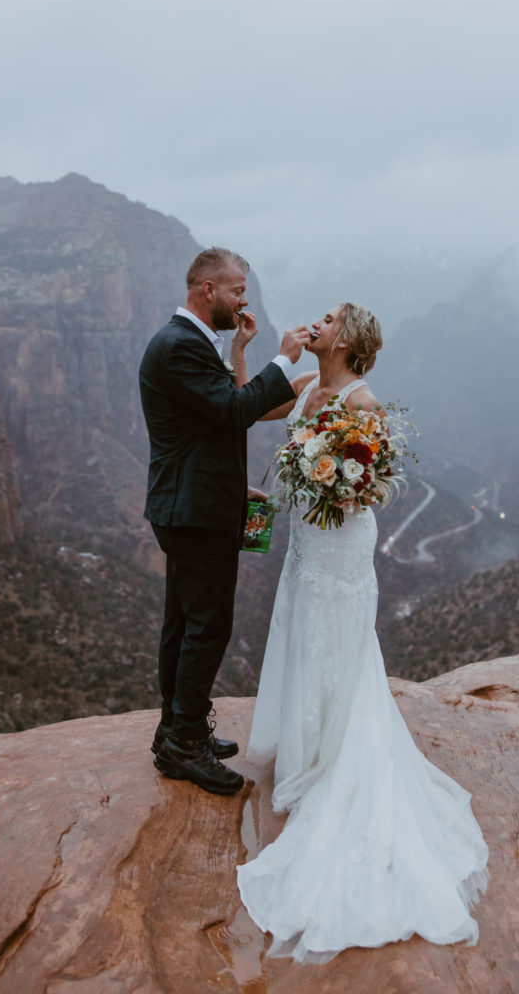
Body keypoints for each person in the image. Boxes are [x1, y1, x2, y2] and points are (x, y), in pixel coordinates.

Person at [232, 302, 489, 962]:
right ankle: (303, 744)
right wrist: (246, 347)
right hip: (303, 543)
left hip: (339, 544)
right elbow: (238, 404)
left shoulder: (361, 399)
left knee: (334, 638)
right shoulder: (300, 386)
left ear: (351, 340)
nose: (317, 320)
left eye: (331, 317)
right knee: (300, 628)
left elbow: (364, 488)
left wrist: (323, 476)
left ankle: (331, 754)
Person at [139, 247, 310, 796]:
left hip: (194, 503)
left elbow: (208, 426)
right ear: (207, 290)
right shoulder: (178, 346)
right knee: (206, 627)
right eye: (238, 291)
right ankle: (185, 744)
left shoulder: (190, 342)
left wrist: (237, 349)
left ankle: (175, 731)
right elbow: (236, 412)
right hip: (194, 513)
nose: (243, 302)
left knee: (182, 624)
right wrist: (282, 361)